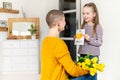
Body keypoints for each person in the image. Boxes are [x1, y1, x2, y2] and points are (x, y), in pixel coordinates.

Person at [40, 9, 88, 80]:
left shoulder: (45, 41)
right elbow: (73, 71)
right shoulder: (58, 43)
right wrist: (88, 70)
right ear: (58, 24)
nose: (65, 23)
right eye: (64, 20)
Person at [74, 2, 103, 80]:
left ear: (94, 14)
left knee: (91, 75)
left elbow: (99, 42)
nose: (85, 16)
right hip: (82, 54)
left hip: (92, 56)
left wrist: (89, 39)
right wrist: (77, 38)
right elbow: (81, 41)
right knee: (82, 73)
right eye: (83, 13)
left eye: (87, 13)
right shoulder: (83, 26)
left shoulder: (97, 26)